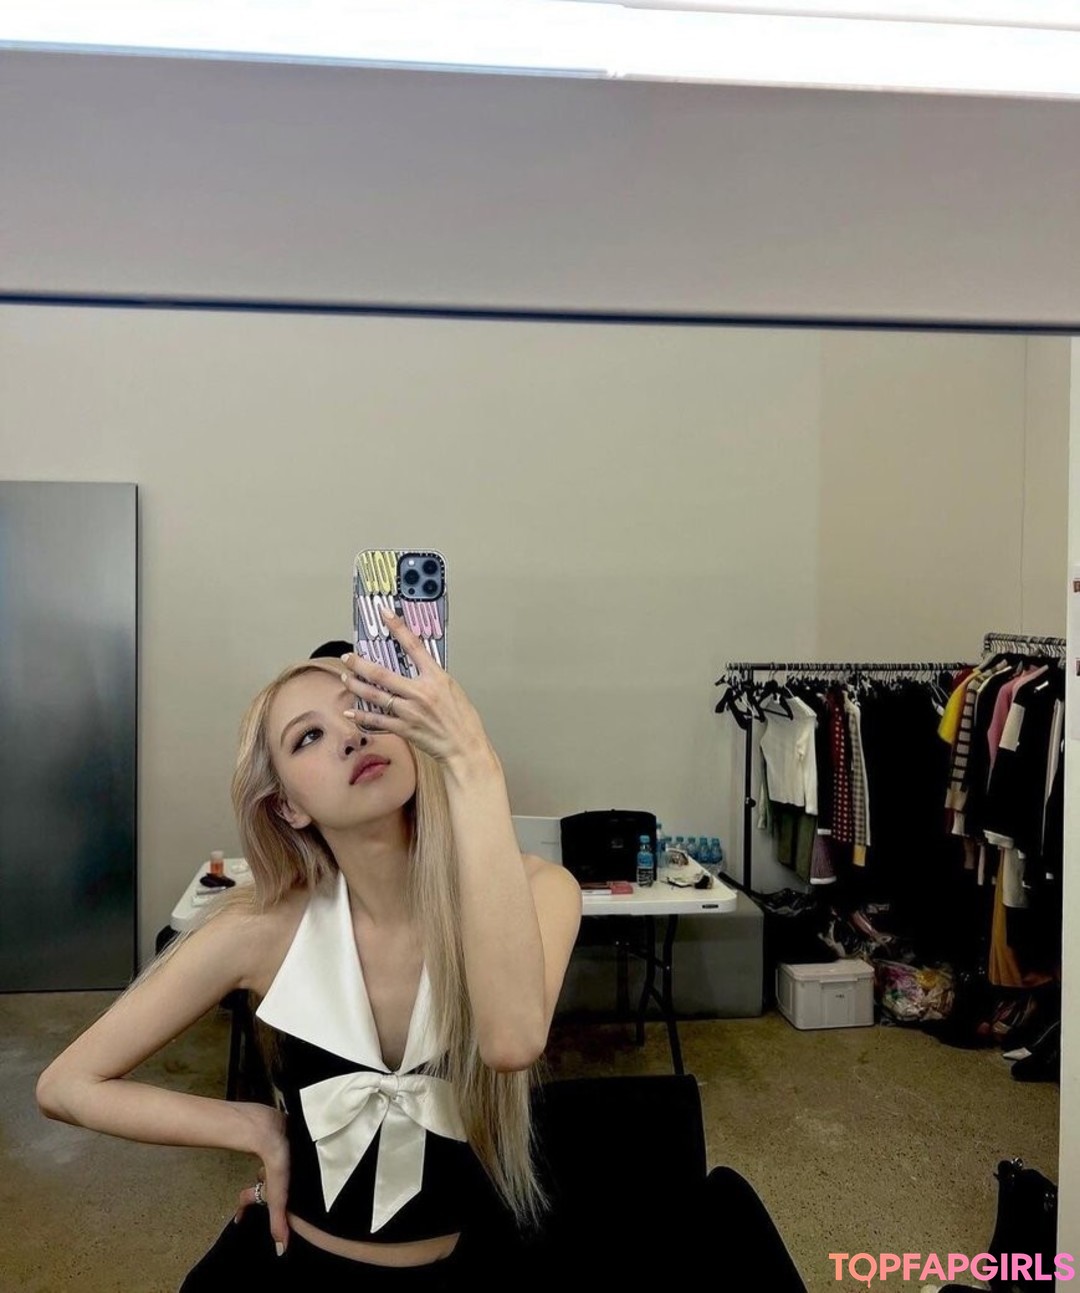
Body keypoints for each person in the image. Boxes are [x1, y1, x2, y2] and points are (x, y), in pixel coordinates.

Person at [36, 607, 584, 1289]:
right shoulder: (260, 929)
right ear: (288, 806)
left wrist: (472, 760)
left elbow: (511, 1041)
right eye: (309, 736)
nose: (351, 735)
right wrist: (254, 1126)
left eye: (366, 709)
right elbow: (65, 1084)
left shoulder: (541, 890)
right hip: (297, 1267)